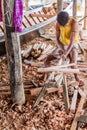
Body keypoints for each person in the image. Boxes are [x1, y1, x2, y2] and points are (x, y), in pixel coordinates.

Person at [55, 11, 84, 86]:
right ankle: (48, 78)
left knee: (72, 62)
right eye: (62, 25)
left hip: (73, 44)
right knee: (50, 59)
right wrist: (61, 48)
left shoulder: (74, 23)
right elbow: (57, 39)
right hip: (63, 43)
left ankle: (77, 77)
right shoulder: (58, 23)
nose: (64, 27)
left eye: (65, 25)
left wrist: (66, 53)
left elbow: (72, 41)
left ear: (68, 20)